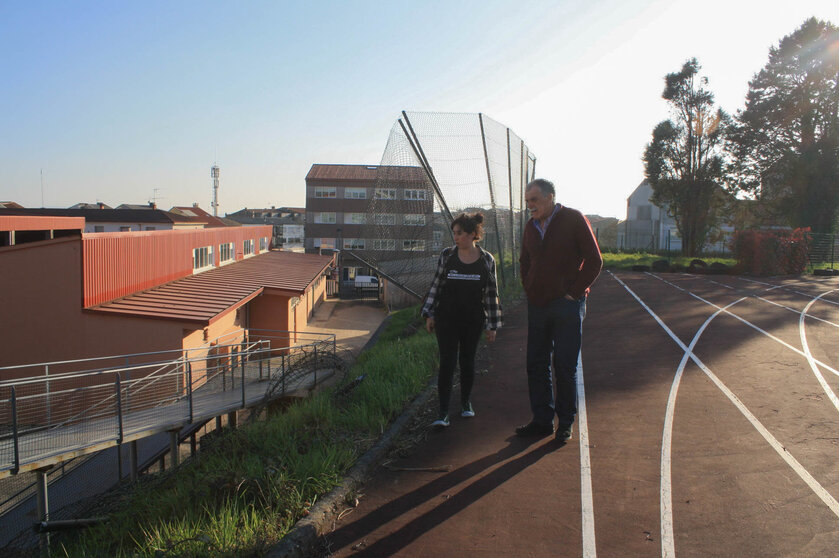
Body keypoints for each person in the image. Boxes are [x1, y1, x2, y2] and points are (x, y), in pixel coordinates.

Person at [516, 179, 602, 442]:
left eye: (534, 200)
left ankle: (565, 423)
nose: (530, 205)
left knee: (564, 365)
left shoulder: (573, 219)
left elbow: (595, 261)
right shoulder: (530, 227)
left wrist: (572, 294)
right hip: (538, 304)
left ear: (550, 197)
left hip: (567, 305)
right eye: (527, 201)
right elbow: (525, 262)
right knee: (536, 364)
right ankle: (542, 420)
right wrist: (529, 288)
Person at [421, 212, 502, 428]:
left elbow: (491, 293)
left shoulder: (486, 259)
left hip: (473, 320)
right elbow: (436, 285)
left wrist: (492, 324)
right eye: (454, 233)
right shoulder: (447, 256)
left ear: (474, 234)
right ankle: (443, 412)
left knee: (467, 361)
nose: (456, 237)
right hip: (446, 319)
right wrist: (429, 313)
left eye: (460, 233)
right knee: (447, 362)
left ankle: (466, 403)